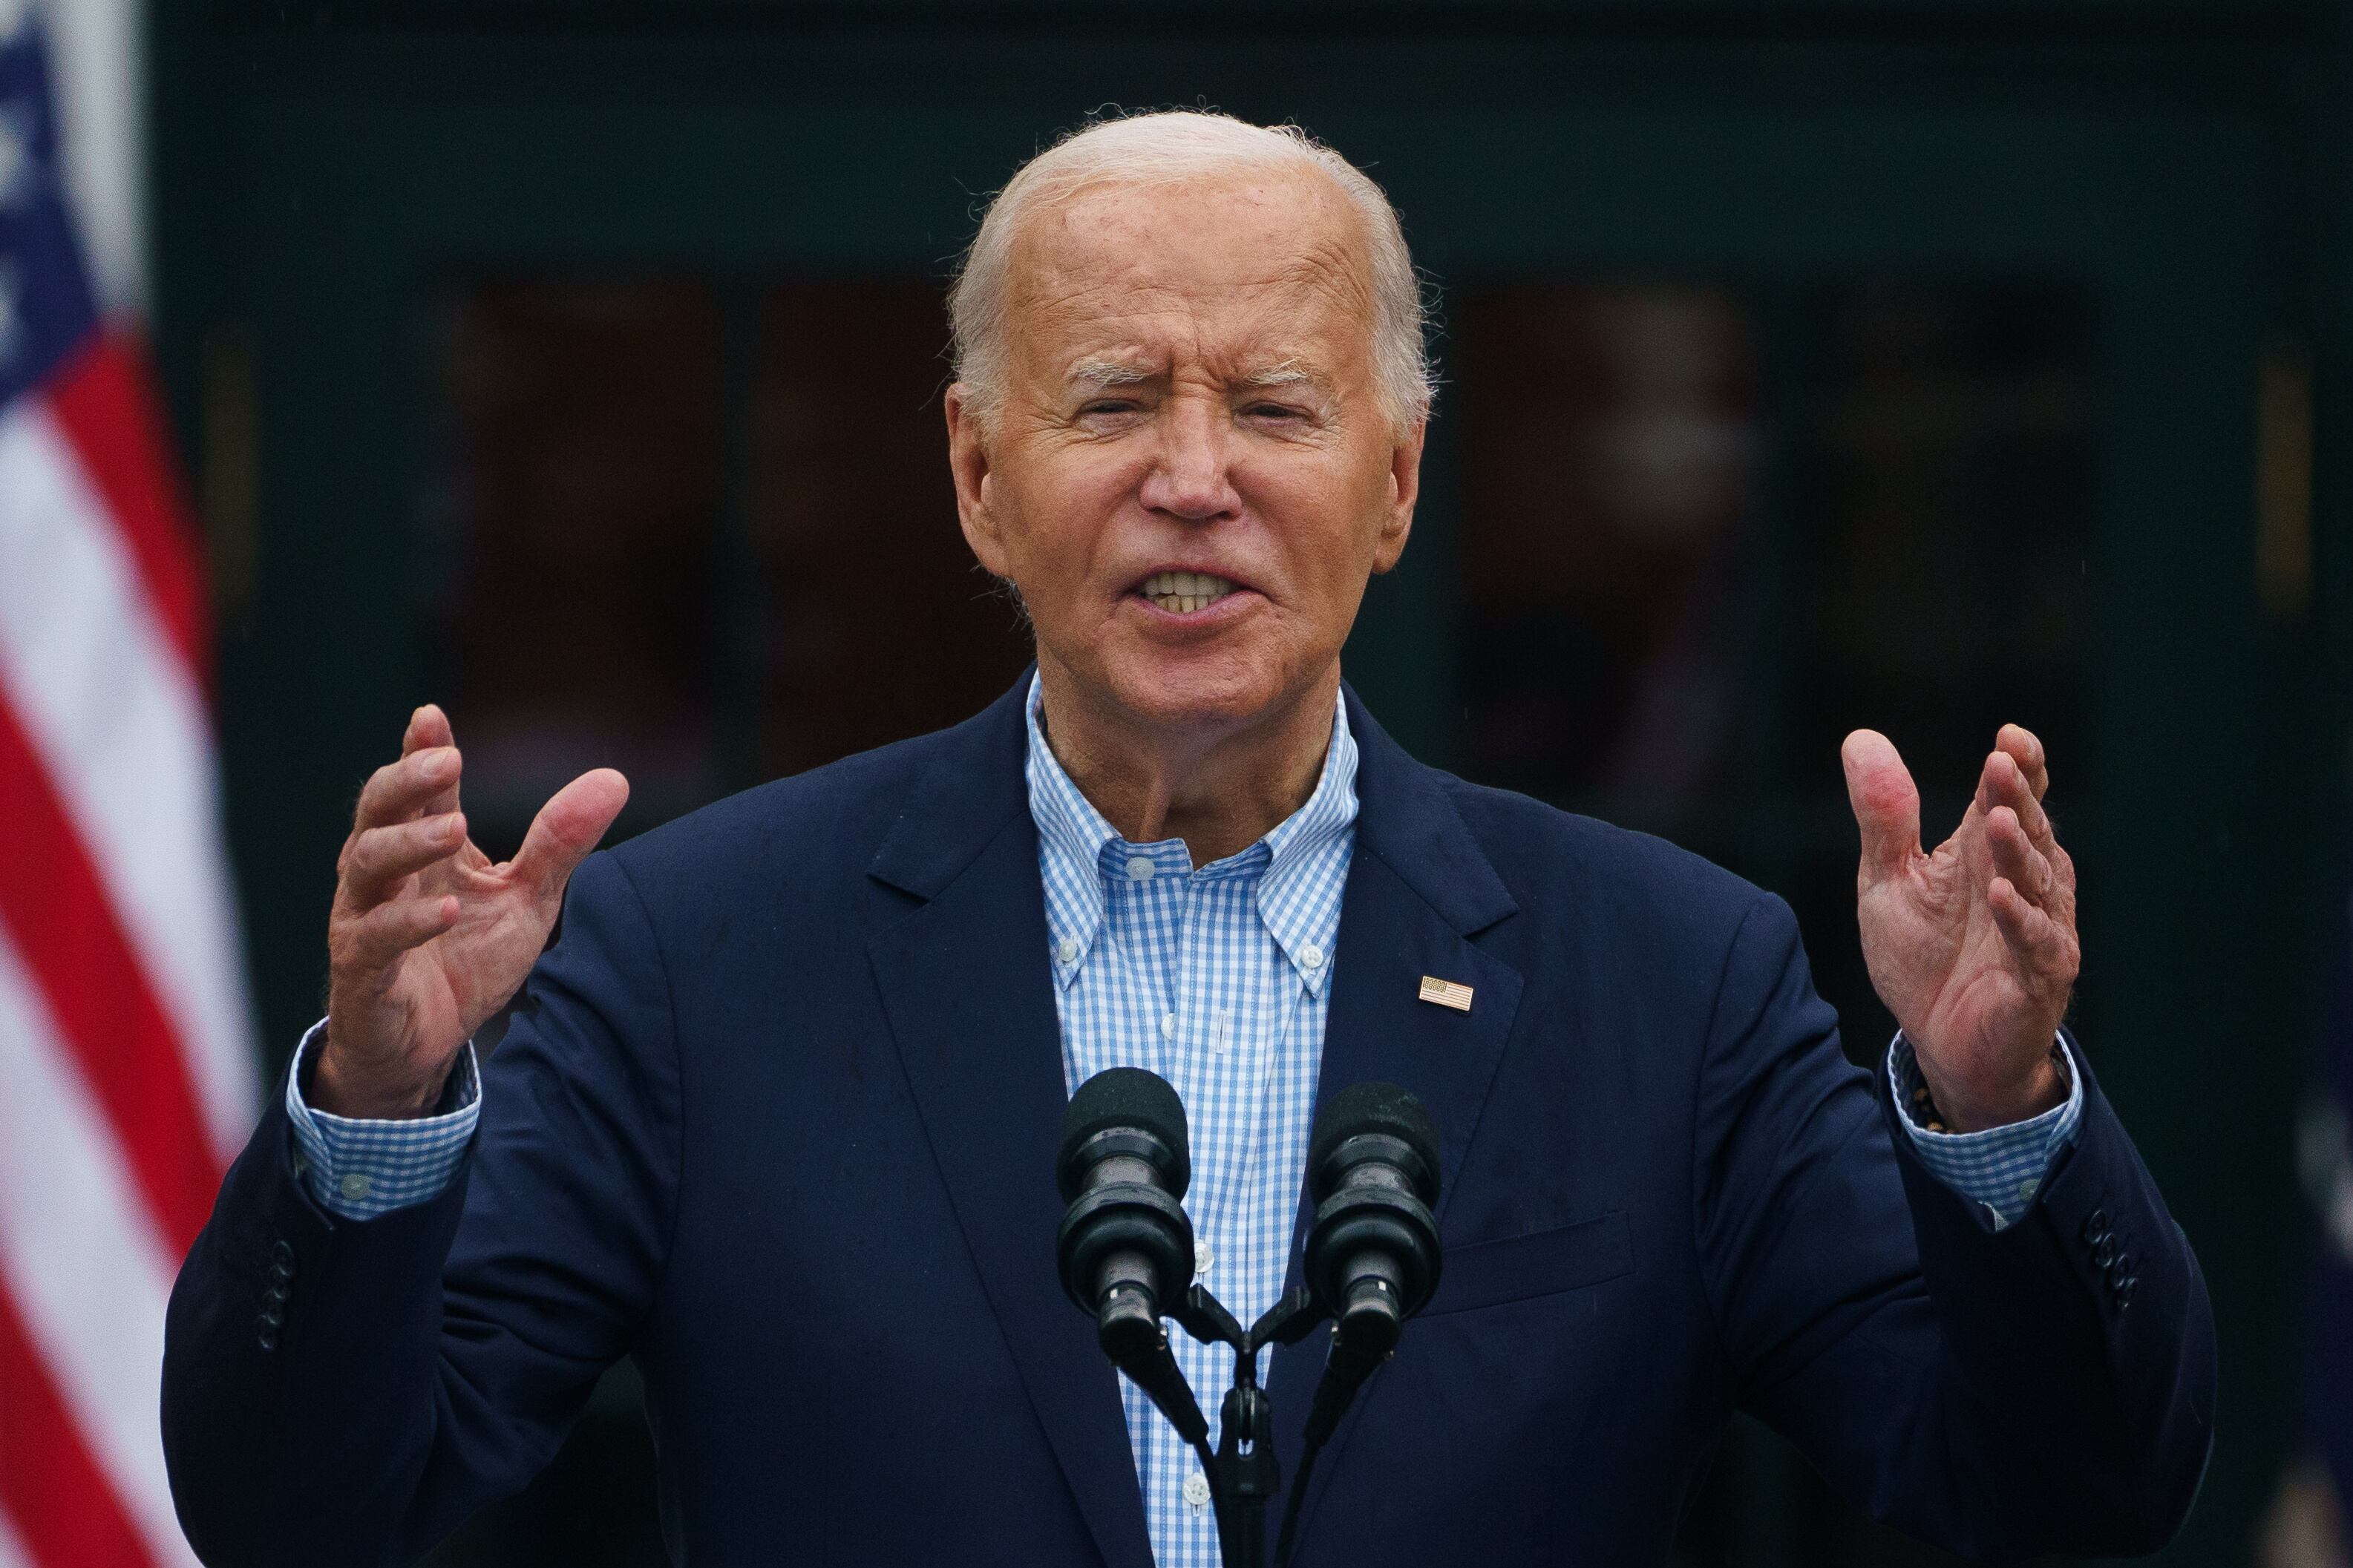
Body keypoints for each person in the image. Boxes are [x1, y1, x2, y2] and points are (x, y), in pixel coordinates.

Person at [162, 111, 2213, 1567]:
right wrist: (383, 1107)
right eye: (1114, 398)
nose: (1194, 479)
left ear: (1396, 484)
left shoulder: (1662, 976)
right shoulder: (704, 954)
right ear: (978, 477)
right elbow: (308, 1512)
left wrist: (1993, 1110)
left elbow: (2064, 1498)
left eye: (1278, 406)